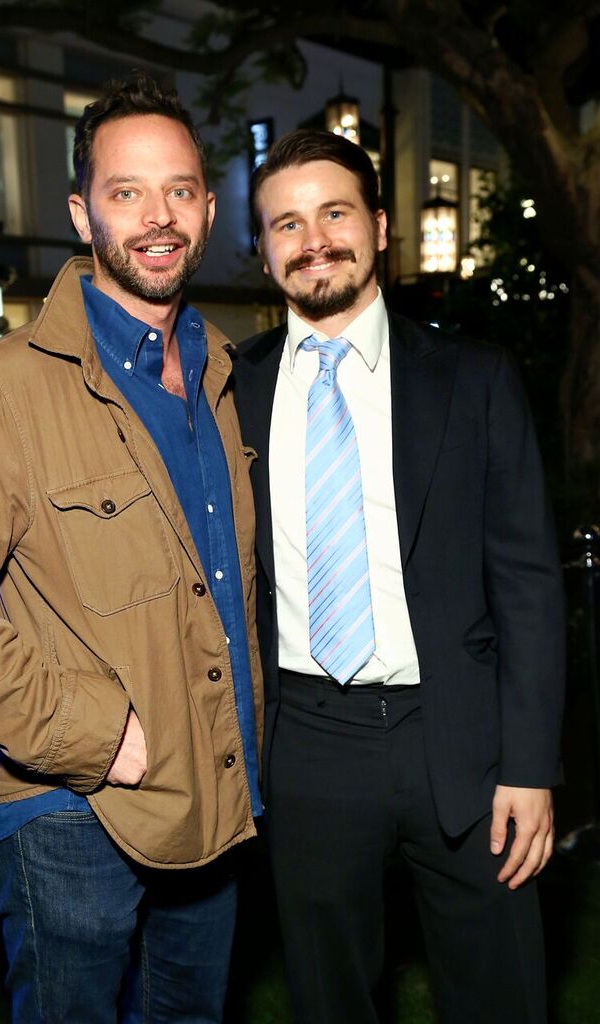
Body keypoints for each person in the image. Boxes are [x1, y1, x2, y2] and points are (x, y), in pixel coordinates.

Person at [0, 73, 263, 1024]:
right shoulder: (7, 386)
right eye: (126, 192)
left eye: (178, 189)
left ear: (209, 209)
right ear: (81, 213)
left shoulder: (222, 373)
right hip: (70, 818)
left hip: (213, 802)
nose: (157, 216)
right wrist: (84, 736)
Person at [232, 129, 565, 1024]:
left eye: (334, 213)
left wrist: (531, 767)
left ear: (380, 227)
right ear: (263, 250)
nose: (314, 241)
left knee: (500, 989)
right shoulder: (228, 392)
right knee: (327, 997)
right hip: (306, 740)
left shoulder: (475, 377)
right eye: (286, 224)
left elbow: (530, 584)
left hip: (459, 731)